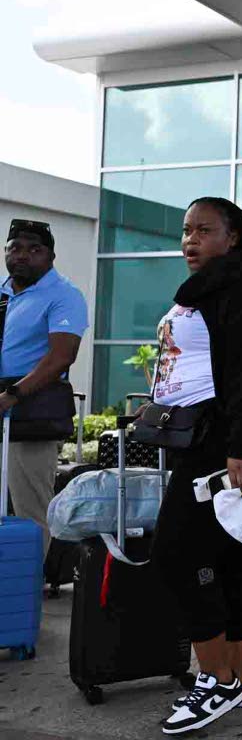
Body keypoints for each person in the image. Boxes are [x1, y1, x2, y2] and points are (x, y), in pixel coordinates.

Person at [149, 197, 242, 735]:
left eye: (204, 230)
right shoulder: (214, 287)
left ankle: (215, 682)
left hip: (224, 446)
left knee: (177, 552)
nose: (190, 241)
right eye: (186, 231)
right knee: (229, 560)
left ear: (233, 237)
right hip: (206, 437)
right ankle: (241, 676)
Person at [0, 219, 88, 558]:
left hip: (31, 412)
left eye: (34, 250)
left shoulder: (64, 295)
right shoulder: (5, 292)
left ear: (50, 256)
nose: (23, 255)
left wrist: (13, 395)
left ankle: (23, 599)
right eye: (15, 248)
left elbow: (61, 357)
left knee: (30, 513)